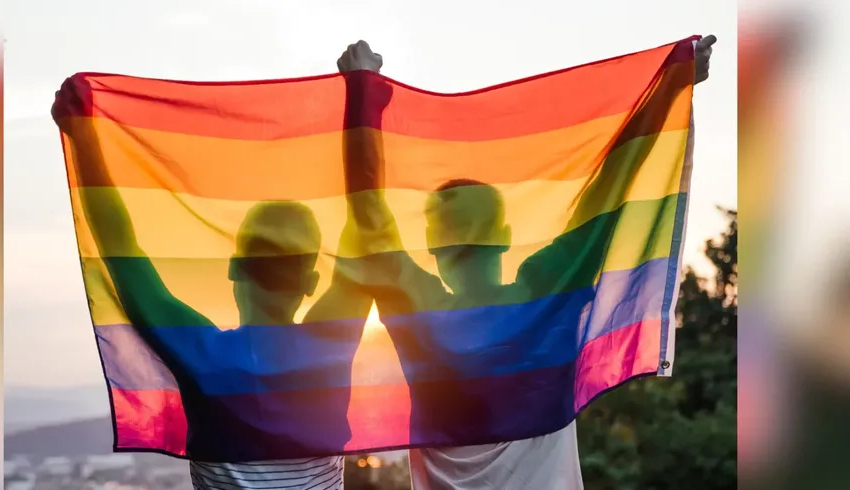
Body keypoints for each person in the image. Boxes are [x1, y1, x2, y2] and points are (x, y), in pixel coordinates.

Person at [336, 35, 716, 489]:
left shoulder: (425, 309)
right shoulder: (544, 292)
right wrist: (670, 86)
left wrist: (362, 94)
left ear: (433, 245)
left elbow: (368, 213)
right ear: (504, 237)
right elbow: (610, 188)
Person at [52, 81, 375, 490]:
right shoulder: (331, 342)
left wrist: (82, 133)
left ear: (235, 268)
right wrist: (363, 98)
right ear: (310, 281)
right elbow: (369, 224)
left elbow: (120, 246)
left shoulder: (201, 352)